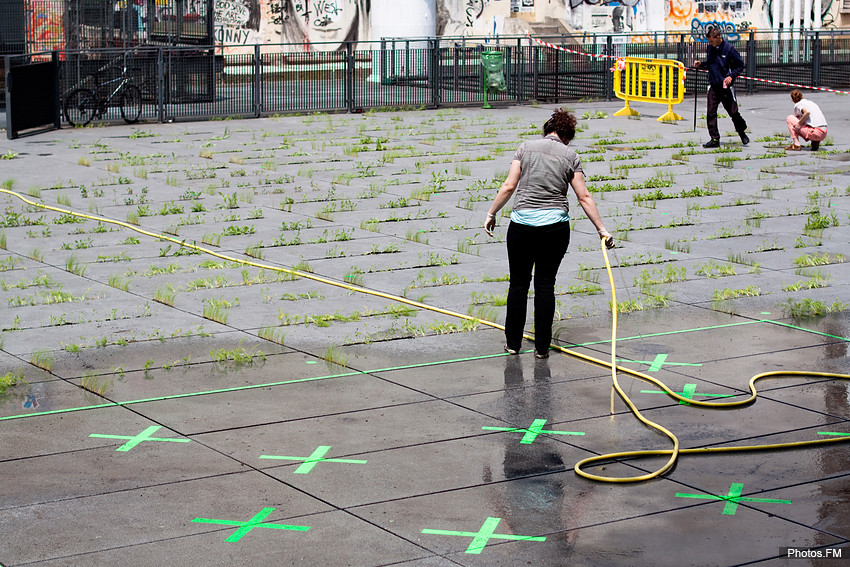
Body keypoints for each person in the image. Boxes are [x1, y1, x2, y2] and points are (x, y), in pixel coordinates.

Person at [484, 109, 614, 359]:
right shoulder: (571, 156)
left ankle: (513, 344)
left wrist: (492, 213)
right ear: (567, 135)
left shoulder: (526, 148)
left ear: (548, 130)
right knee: (545, 286)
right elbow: (583, 196)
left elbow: (509, 185)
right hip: (554, 229)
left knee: (518, 285)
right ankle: (542, 348)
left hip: (522, 226)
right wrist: (602, 230)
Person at [694, 27, 750, 148]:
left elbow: (740, 65)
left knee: (733, 112)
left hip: (725, 86)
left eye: (711, 41)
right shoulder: (710, 48)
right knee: (710, 112)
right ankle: (714, 138)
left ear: (718, 38)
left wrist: (731, 76)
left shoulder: (729, 49)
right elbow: (710, 63)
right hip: (713, 85)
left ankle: (741, 132)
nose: (710, 44)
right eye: (709, 42)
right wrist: (701, 64)